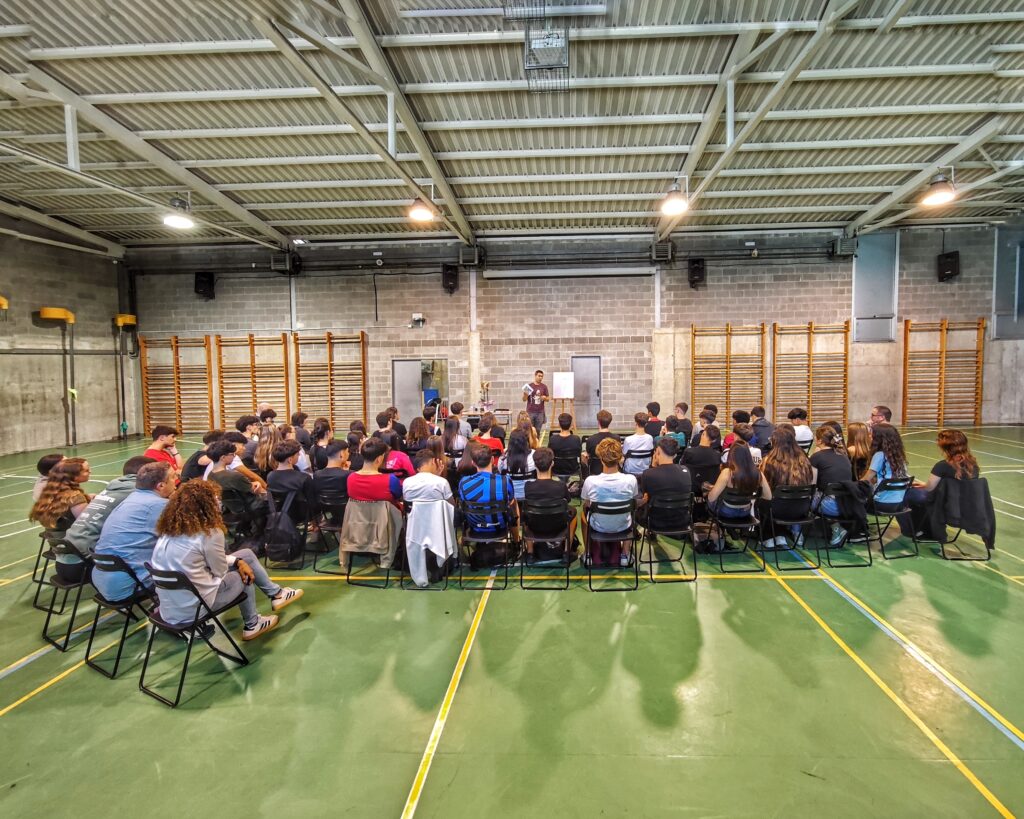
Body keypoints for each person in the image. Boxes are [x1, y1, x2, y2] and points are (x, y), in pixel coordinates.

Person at [149, 481, 303, 641]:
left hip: (171, 610)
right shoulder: (209, 533)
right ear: (206, 505)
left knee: (245, 555)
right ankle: (253, 624)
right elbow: (220, 572)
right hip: (196, 609)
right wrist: (238, 564)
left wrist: (237, 560)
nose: (218, 502)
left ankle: (277, 594)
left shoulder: (169, 532)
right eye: (215, 499)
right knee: (244, 573)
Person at [92, 462, 176, 602]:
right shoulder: (159, 505)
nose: (176, 479)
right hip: (130, 585)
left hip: (102, 579)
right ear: (161, 485)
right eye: (173, 477)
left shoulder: (130, 499)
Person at [64, 455, 157, 563]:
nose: (90, 472)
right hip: (84, 556)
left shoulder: (114, 487)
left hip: (68, 548)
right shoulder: (137, 491)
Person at [907, 429, 982, 536]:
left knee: (909, 494)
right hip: (966, 506)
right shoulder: (973, 465)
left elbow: (929, 488)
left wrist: (925, 486)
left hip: (945, 506)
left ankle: (918, 529)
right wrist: (925, 485)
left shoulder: (942, 466)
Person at [29, 457, 93, 581]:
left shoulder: (50, 494)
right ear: (73, 476)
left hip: (63, 565)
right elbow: (89, 525)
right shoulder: (74, 497)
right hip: (81, 566)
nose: (90, 472)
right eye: (86, 470)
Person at [580, 437, 640, 567]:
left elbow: (587, 503)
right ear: (620, 459)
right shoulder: (631, 479)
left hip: (598, 526)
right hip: (623, 526)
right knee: (632, 511)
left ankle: (588, 554)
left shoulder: (590, 481)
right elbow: (634, 499)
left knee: (582, 514)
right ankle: (625, 555)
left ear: (601, 459)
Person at [402, 448, 457, 586]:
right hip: (438, 529)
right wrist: (438, 477)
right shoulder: (441, 482)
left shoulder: (407, 482)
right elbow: (452, 505)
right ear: (433, 461)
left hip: (415, 530)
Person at [706, 443, 772, 545]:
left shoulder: (727, 473)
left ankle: (721, 529)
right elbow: (768, 496)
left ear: (731, 455)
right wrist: (754, 496)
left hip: (726, 512)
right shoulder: (758, 473)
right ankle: (729, 529)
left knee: (708, 496)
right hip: (745, 512)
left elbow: (711, 498)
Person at [760, 426, 815, 547]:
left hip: (776, 509)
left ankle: (768, 536)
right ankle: (780, 534)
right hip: (802, 508)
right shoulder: (805, 460)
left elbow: (764, 487)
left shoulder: (769, 461)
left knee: (763, 498)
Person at [523, 446, 578, 560]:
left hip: (535, 527)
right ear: (552, 463)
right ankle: (567, 552)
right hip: (557, 526)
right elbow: (567, 501)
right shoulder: (560, 486)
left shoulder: (528, 486)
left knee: (525, 515)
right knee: (574, 513)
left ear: (535, 465)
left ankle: (530, 553)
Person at [458, 442, 519, 542]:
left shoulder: (464, 483)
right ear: (492, 460)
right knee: (513, 503)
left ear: (473, 463)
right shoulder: (504, 481)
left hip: (475, 526)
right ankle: (516, 540)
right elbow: (510, 501)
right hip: (499, 526)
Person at [809, 424, 855, 546]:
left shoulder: (816, 457)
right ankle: (835, 527)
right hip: (849, 504)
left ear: (819, 440)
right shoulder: (843, 455)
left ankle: (799, 532)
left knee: (804, 497)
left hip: (830, 505)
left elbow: (812, 484)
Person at [864, 422, 912, 534]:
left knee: (852, 497)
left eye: (872, 434)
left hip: (881, 504)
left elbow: (865, 479)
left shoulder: (880, 455)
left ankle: (858, 531)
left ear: (878, 438)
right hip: (899, 503)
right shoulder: (899, 455)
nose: (870, 436)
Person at [638, 437, 692, 532]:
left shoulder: (648, 474)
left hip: (655, 522)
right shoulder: (686, 471)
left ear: (658, 451)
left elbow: (645, 496)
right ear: (675, 455)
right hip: (682, 521)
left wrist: (652, 467)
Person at [266, 440, 319, 523]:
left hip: (279, 514)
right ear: (290, 459)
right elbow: (313, 504)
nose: (299, 456)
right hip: (301, 516)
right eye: (297, 454)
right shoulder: (303, 478)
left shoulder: (270, 476)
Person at [347, 437, 402, 508]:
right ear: (379, 459)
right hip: (385, 514)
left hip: (358, 514)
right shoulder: (390, 480)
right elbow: (398, 495)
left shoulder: (351, 478)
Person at [498, 428, 536, 500]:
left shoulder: (504, 456)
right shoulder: (533, 455)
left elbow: (500, 472)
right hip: (529, 494)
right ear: (526, 441)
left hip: (509, 495)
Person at [582, 409, 619, 477]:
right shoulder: (616, 438)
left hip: (595, 471)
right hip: (612, 471)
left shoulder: (591, 439)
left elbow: (587, 456)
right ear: (609, 422)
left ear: (598, 422)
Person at [622, 411, 655, 475]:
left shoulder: (628, 439)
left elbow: (624, 454)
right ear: (646, 424)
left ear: (636, 423)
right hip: (645, 470)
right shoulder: (650, 438)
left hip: (630, 471)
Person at [522, 369, 550, 434]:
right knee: (529, 430)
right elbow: (524, 399)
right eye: (539, 376)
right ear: (535, 376)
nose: (540, 378)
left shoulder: (544, 387)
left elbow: (548, 399)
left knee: (538, 430)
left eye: (542, 376)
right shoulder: (529, 386)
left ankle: (537, 440)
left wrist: (544, 398)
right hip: (530, 412)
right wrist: (525, 395)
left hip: (540, 412)